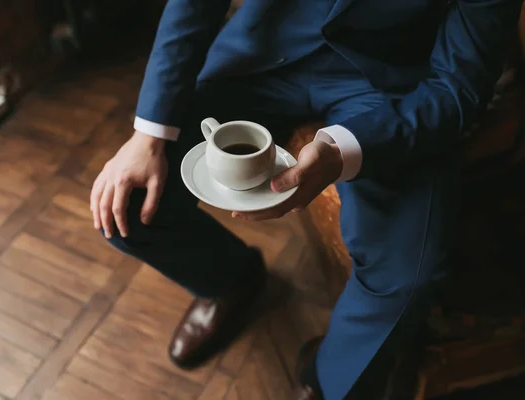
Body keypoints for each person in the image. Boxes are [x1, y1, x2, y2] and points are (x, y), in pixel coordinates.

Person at [89, 0, 520, 398]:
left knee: (405, 275)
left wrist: (344, 150)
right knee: (127, 204)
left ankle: (328, 383)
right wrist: (149, 132)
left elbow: (456, 87)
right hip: (261, 54)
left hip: (391, 88)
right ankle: (231, 281)